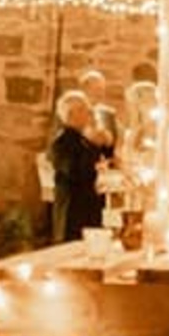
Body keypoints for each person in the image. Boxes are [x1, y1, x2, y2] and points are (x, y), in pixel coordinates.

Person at [49, 90, 107, 242]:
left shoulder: (83, 139)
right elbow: (75, 171)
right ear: (70, 115)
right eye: (83, 109)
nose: (89, 112)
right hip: (72, 212)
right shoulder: (63, 142)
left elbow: (103, 157)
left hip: (89, 208)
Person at [80, 69, 121, 150]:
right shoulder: (72, 112)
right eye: (97, 89)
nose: (101, 94)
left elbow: (115, 143)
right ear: (85, 89)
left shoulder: (108, 113)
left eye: (102, 89)